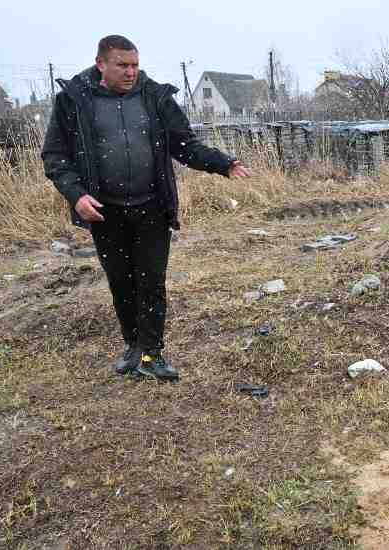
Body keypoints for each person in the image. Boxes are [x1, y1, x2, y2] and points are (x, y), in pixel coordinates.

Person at [42, 35, 251, 381]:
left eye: (135, 65)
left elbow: (185, 144)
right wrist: (76, 195)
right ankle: (133, 346)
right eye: (122, 65)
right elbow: (55, 156)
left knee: (151, 280)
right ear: (101, 65)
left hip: (152, 207)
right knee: (121, 283)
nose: (130, 72)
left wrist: (223, 163)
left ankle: (153, 354)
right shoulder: (73, 101)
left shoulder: (155, 98)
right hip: (103, 210)